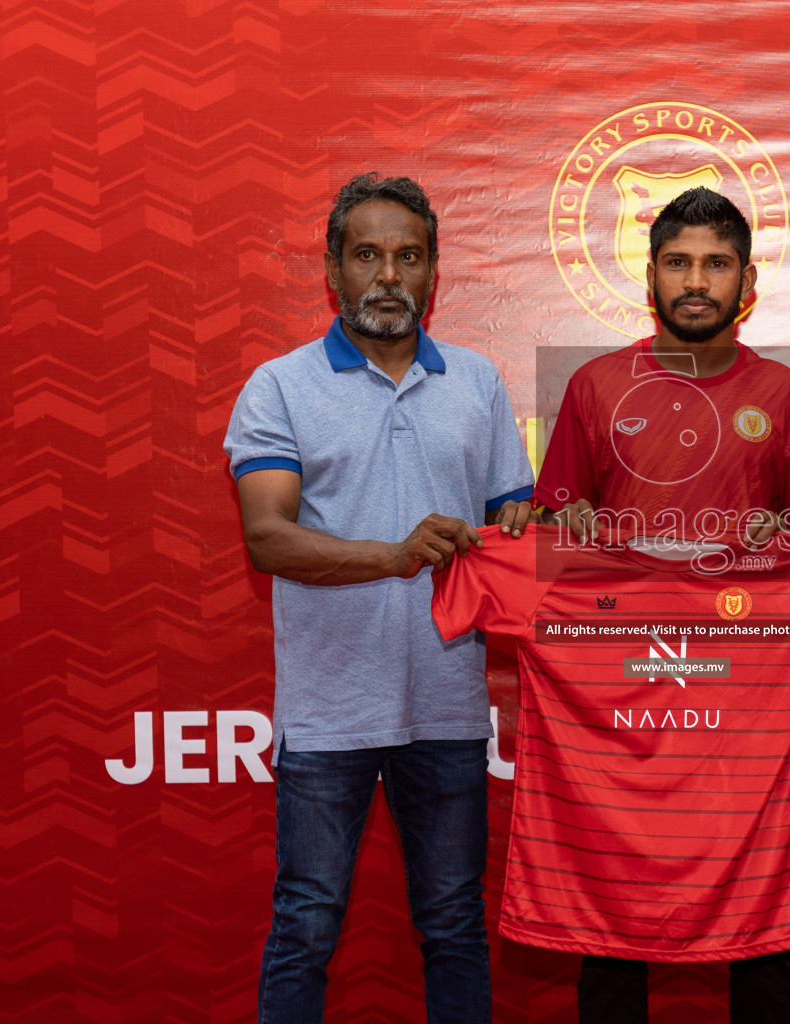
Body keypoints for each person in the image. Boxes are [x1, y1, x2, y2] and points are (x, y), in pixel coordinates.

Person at [525, 187, 790, 1024]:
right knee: (614, 901)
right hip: (620, 695)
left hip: (744, 700)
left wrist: (788, 534)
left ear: (746, 282)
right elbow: (551, 536)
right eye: (679, 262)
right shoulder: (596, 386)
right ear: (651, 276)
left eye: (715, 263)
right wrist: (571, 524)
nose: (695, 280)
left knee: (758, 903)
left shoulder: (782, 392)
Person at [223, 172, 535, 1024]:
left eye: (408, 257)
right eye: (368, 255)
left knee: (454, 926)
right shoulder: (279, 387)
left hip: (448, 707)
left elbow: (512, 514)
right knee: (306, 926)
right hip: (329, 713)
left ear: (434, 274)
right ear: (333, 268)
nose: (388, 276)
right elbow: (268, 537)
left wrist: (521, 520)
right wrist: (397, 556)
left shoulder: (476, 382)